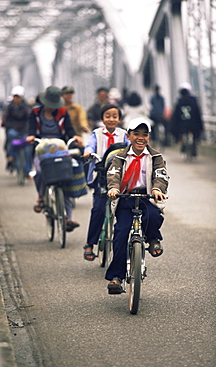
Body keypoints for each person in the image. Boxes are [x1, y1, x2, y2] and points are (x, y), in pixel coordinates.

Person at [106, 117, 169, 294]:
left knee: (154, 216)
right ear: (128, 136)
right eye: (136, 134)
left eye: (145, 134)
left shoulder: (156, 156)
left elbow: (161, 175)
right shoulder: (120, 157)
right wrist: (113, 188)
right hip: (125, 197)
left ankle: (153, 238)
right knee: (120, 235)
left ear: (149, 136)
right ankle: (116, 277)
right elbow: (114, 174)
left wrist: (157, 189)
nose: (140, 138)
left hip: (146, 196)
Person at [26, 85, 83, 232]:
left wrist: (74, 136)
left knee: (66, 179)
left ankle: (68, 218)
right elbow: (31, 128)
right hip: (41, 146)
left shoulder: (63, 112)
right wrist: (31, 136)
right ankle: (41, 196)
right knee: (39, 171)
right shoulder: (35, 112)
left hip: (61, 147)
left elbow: (69, 129)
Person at [82, 104, 130, 261]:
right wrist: (88, 152)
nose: (111, 119)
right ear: (102, 118)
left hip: (119, 176)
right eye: (107, 116)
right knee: (98, 209)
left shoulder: (124, 134)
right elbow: (90, 145)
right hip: (102, 174)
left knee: (125, 209)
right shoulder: (96, 134)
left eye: (114, 116)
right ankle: (90, 244)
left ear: (119, 119)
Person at [2, 85, 32, 174]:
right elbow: (5, 117)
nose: (16, 99)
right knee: (11, 136)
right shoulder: (9, 107)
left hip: (24, 130)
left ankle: (28, 171)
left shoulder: (26, 107)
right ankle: (11, 156)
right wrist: (5, 123)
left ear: (22, 97)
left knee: (28, 150)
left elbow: (30, 117)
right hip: (13, 129)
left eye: (18, 97)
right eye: (15, 97)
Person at [170, 87, 203, 157]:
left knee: (180, 134)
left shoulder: (179, 103)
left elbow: (175, 116)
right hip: (193, 124)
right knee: (195, 135)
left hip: (182, 125)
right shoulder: (193, 102)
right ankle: (194, 148)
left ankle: (182, 144)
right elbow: (197, 114)